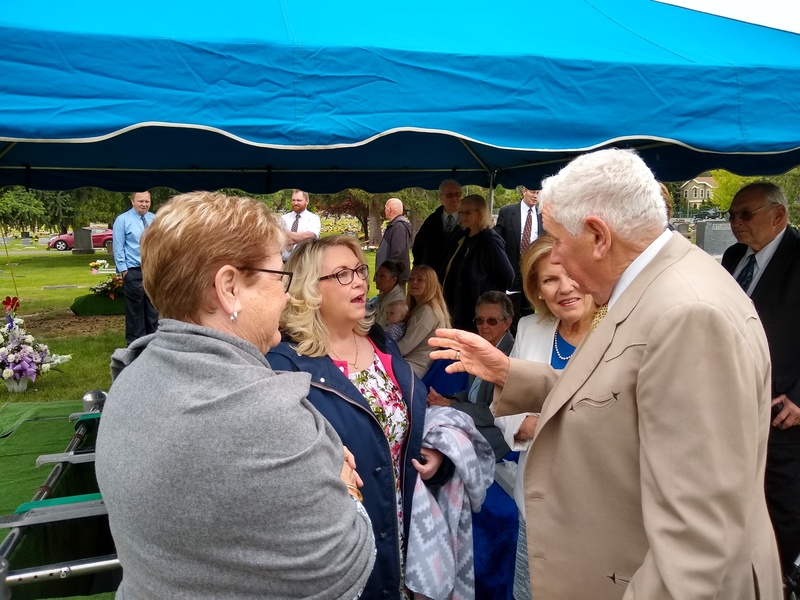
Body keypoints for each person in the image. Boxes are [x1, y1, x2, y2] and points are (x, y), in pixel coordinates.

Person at [430, 148, 782, 599]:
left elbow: (697, 538)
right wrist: (510, 372)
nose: (553, 256)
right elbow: (623, 396)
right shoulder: (656, 284)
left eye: (557, 240)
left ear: (598, 235)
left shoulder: (687, 312)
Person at [96, 192, 375, 599]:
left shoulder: (131, 376)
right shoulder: (266, 413)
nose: (286, 294)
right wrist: (346, 488)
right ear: (229, 287)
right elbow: (343, 566)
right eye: (279, 277)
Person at [266, 236, 447, 599]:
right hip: (342, 549)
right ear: (308, 290)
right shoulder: (286, 369)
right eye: (343, 274)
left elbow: (407, 428)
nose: (361, 282)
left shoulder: (383, 346)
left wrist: (437, 456)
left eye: (360, 271)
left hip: (402, 531)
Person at [495, 235, 596, 600]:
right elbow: (507, 405)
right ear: (537, 290)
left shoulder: (622, 328)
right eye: (550, 280)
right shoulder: (530, 330)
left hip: (599, 507)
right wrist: (526, 422)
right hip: (537, 501)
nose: (565, 288)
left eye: (572, 274)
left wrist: (546, 418)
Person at [721, 181, 800, 576]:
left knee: (780, 503)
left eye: (746, 214)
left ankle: (779, 580)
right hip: (731, 405)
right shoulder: (734, 256)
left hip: (781, 411)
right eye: (732, 215)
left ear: (778, 216)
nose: (736, 223)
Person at [428, 290, 514, 460]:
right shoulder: (482, 349)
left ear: (507, 323)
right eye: (479, 320)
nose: (484, 326)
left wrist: (451, 406)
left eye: (492, 321)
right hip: (473, 422)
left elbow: (494, 412)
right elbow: (474, 394)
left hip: (495, 433)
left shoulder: (511, 356)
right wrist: (450, 400)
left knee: (439, 445)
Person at [440, 193, 514, 331]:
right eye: (461, 213)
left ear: (480, 213)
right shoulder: (463, 236)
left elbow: (507, 276)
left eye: (468, 212)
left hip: (479, 314)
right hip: (459, 311)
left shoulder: (489, 240)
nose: (463, 217)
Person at [495, 186, 544, 330]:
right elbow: (498, 240)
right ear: (524, 191)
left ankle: (526, 335)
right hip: (511, 268)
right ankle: (511, 338)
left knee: (529, 307)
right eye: (533, 192)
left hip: (531, 269)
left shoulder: (542, 214)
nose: (536, 196)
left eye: (538, 193)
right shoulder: (508, 212)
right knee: (511, 308)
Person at [112, 190, 158, 344]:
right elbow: (118, 246)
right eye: (140, 201)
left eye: (147, 201)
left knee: (153, 310)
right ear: (132, 201)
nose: (144, 204)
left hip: (152, 270)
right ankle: (135, 345)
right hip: (133, 271)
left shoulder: (155, 219)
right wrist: (124, 271)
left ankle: (153, 343)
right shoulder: (123, 220)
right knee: (135, 312)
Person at [398, 265, 451, 378]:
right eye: (411, 279)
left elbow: (403, 348)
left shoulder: (427, 311)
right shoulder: (427, 307)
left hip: (413, 369)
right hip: (411, 365)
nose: (414, 282)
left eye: (420, 280)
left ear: (430, 284)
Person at [411, 179, 463, 275]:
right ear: (441, 198)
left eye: (458, 194)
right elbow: (418, 247)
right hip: (432, 276)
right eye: (449, 195)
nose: (455, 198)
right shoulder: (431, 221)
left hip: (458, 277)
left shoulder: (468, 221)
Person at [375, 197, 412, 285]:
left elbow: (398, 254)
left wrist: (389, 276)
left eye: (385, 208)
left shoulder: (399, 226)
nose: (384, 210)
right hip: (389, 278)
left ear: (390, 209)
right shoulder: (395, 225)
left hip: (393, 280)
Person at [280, 189, 321, 261]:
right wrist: (300, 238)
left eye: (299, 200)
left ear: (307, 201)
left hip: (303, 262)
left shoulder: (313, 218)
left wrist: (286, 235)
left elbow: (310, 237)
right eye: (293, 200)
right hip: (284, 262)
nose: (295, 203)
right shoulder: (284, 218)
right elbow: (277, 237)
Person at [371, 260, 406, 327]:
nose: (377, 279)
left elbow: (380, 326)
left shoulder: (396, 302)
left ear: (394, 279)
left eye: (382, 276)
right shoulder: (384, 295)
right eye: (376, 275)